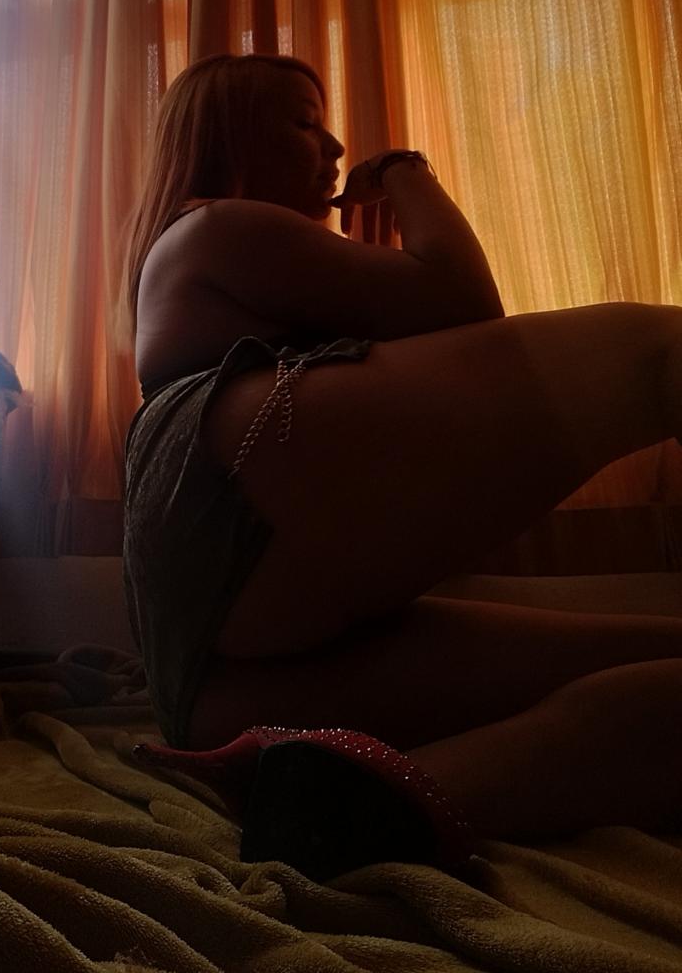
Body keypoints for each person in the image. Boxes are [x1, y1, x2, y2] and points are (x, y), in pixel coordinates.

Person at [120, 52, 682, 873]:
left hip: (217, 685)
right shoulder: (217, 226)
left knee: (654, 660)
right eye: (305, 124)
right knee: (662, 354)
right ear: (229, 137)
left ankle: (361, 806)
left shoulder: (212, 260)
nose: (335, 147)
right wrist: (403, 171)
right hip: (238, 553)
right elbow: (461, 298)